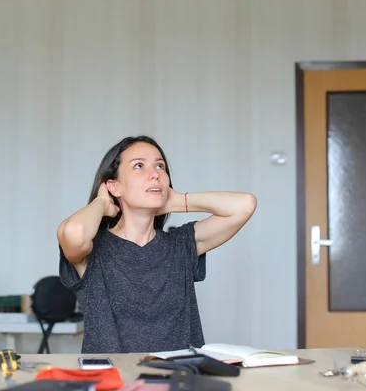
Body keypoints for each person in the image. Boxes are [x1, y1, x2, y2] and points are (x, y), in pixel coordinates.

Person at [57, 135, 257, 353]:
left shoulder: (181, 244)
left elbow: (244, 205)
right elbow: (73, 232)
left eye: (160, 166)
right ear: (114, 187)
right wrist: (102, 202)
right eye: (139, 166)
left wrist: (179, 201)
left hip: (179, 378)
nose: (155, 174)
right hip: (112, 380)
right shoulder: (94, 249)